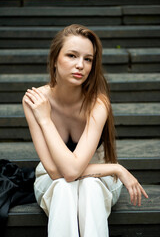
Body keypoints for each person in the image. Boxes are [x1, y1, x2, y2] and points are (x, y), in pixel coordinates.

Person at [22, 24, 148, 237]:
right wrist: (44, 119)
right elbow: (56, 172)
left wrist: (111, 170)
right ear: (54, 60)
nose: (80, 65)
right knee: (63, 187)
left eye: (88, 59)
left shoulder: (98, 103)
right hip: (52, 178)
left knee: (89, 187)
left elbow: (72, 172)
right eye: (72, 55)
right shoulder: (35, 101)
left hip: (100, 178)